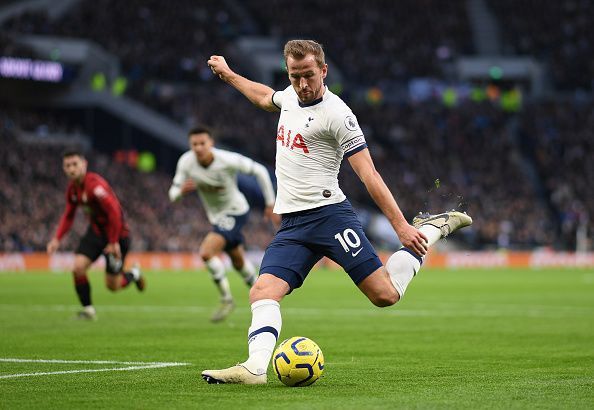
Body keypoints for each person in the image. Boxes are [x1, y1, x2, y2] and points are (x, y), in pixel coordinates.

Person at [202, 40, 472, 384]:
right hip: (293, 225)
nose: (302, 84)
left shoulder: (338, 115)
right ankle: (255, 368)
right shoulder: (289, 97)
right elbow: (262, 96)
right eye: (295, 76)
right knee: (262, 291)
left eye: (309, 75)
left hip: (330, 217)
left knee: (385, 295)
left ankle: (432, 229)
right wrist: (228, 75)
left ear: (324, 71)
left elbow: (369, 175)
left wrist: (402, 226)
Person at [168, 126, 279, 322]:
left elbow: (260, 171)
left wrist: (270, 202)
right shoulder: (186, 162)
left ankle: (226, 299)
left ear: (211, 143)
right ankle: (262, 293)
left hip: (236, 211)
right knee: (237, 260)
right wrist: (180, 193)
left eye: (203, 143)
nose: (199, 148)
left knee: (206, 252)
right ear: (190, 145)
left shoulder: (226, 160)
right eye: (195, 144)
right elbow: (173, 194)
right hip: (217, 218)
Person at [47, 150, 145, 321]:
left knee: (113, 286)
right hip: (96, 233)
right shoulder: (73, 190)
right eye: (67, 166)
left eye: (74, 164)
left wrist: (114, 242)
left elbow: (115, 212)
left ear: (84, 164)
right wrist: (57, 239)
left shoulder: (95, 186)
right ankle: (88, 310)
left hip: (117, 234)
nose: (71, 169)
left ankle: (134, 274)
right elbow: (69, 215)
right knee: (78, 268)